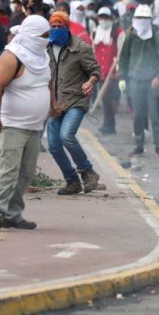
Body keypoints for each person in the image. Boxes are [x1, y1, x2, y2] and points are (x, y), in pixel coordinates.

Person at [0, 15, 52, 231]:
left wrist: (53, 105)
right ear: (31, 35)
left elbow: (47, 84)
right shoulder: (12, 56)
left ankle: (13, 213)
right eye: (44, 35)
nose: (47, 39)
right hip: (13, 124)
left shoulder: (42, 56)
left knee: (26, 173)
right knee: (8, 170)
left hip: (35, 126)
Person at [45, 11, 102, 196]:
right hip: (55, 103)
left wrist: (90, 82)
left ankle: (88, 172)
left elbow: (95, 71)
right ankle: (72, 181)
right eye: (52, 26)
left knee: (66, 135)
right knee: (53, 145)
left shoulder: (80, 47)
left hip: (76, 100)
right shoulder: (45, 47)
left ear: (67, 27)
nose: (55, 30)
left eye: (59, 26)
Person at [118, 5, 159, 157]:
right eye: (139, 18)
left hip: (152, 82)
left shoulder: (156, 37)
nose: (142, 21)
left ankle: (158, 146)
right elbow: (124, 58)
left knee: (155, 116)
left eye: (145, 18)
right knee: (137, 116)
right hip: (135, 80)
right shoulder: (131, 37)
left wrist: (158, 76)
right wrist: (122, 77)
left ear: (150, 20)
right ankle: (139, 146)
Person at [92, 7, 122, 135]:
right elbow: (93, 51)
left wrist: (117, 69)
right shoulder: (94, 32)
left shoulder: (118, 32)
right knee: (105, 98)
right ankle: (108, 124)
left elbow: (121, 52)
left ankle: (110, 125)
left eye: (106, 17)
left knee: (108, 97)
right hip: (100, 70)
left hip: (112, 71)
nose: (104, 20)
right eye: (101, 17)